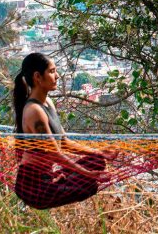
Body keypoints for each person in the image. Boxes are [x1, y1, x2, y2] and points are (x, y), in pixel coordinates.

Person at [12, 52, 114, 209]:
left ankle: (59, 179)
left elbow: (64, 142)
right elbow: (54, 153)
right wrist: (88, 174)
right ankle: (60, 180)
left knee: (97, 160)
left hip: (48, 176)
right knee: (89, 186)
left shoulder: (48, 102)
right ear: (37, 77)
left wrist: (99, 152)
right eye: (52, 71)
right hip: (35, 188)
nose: (57, 76)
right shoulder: (34, 110)